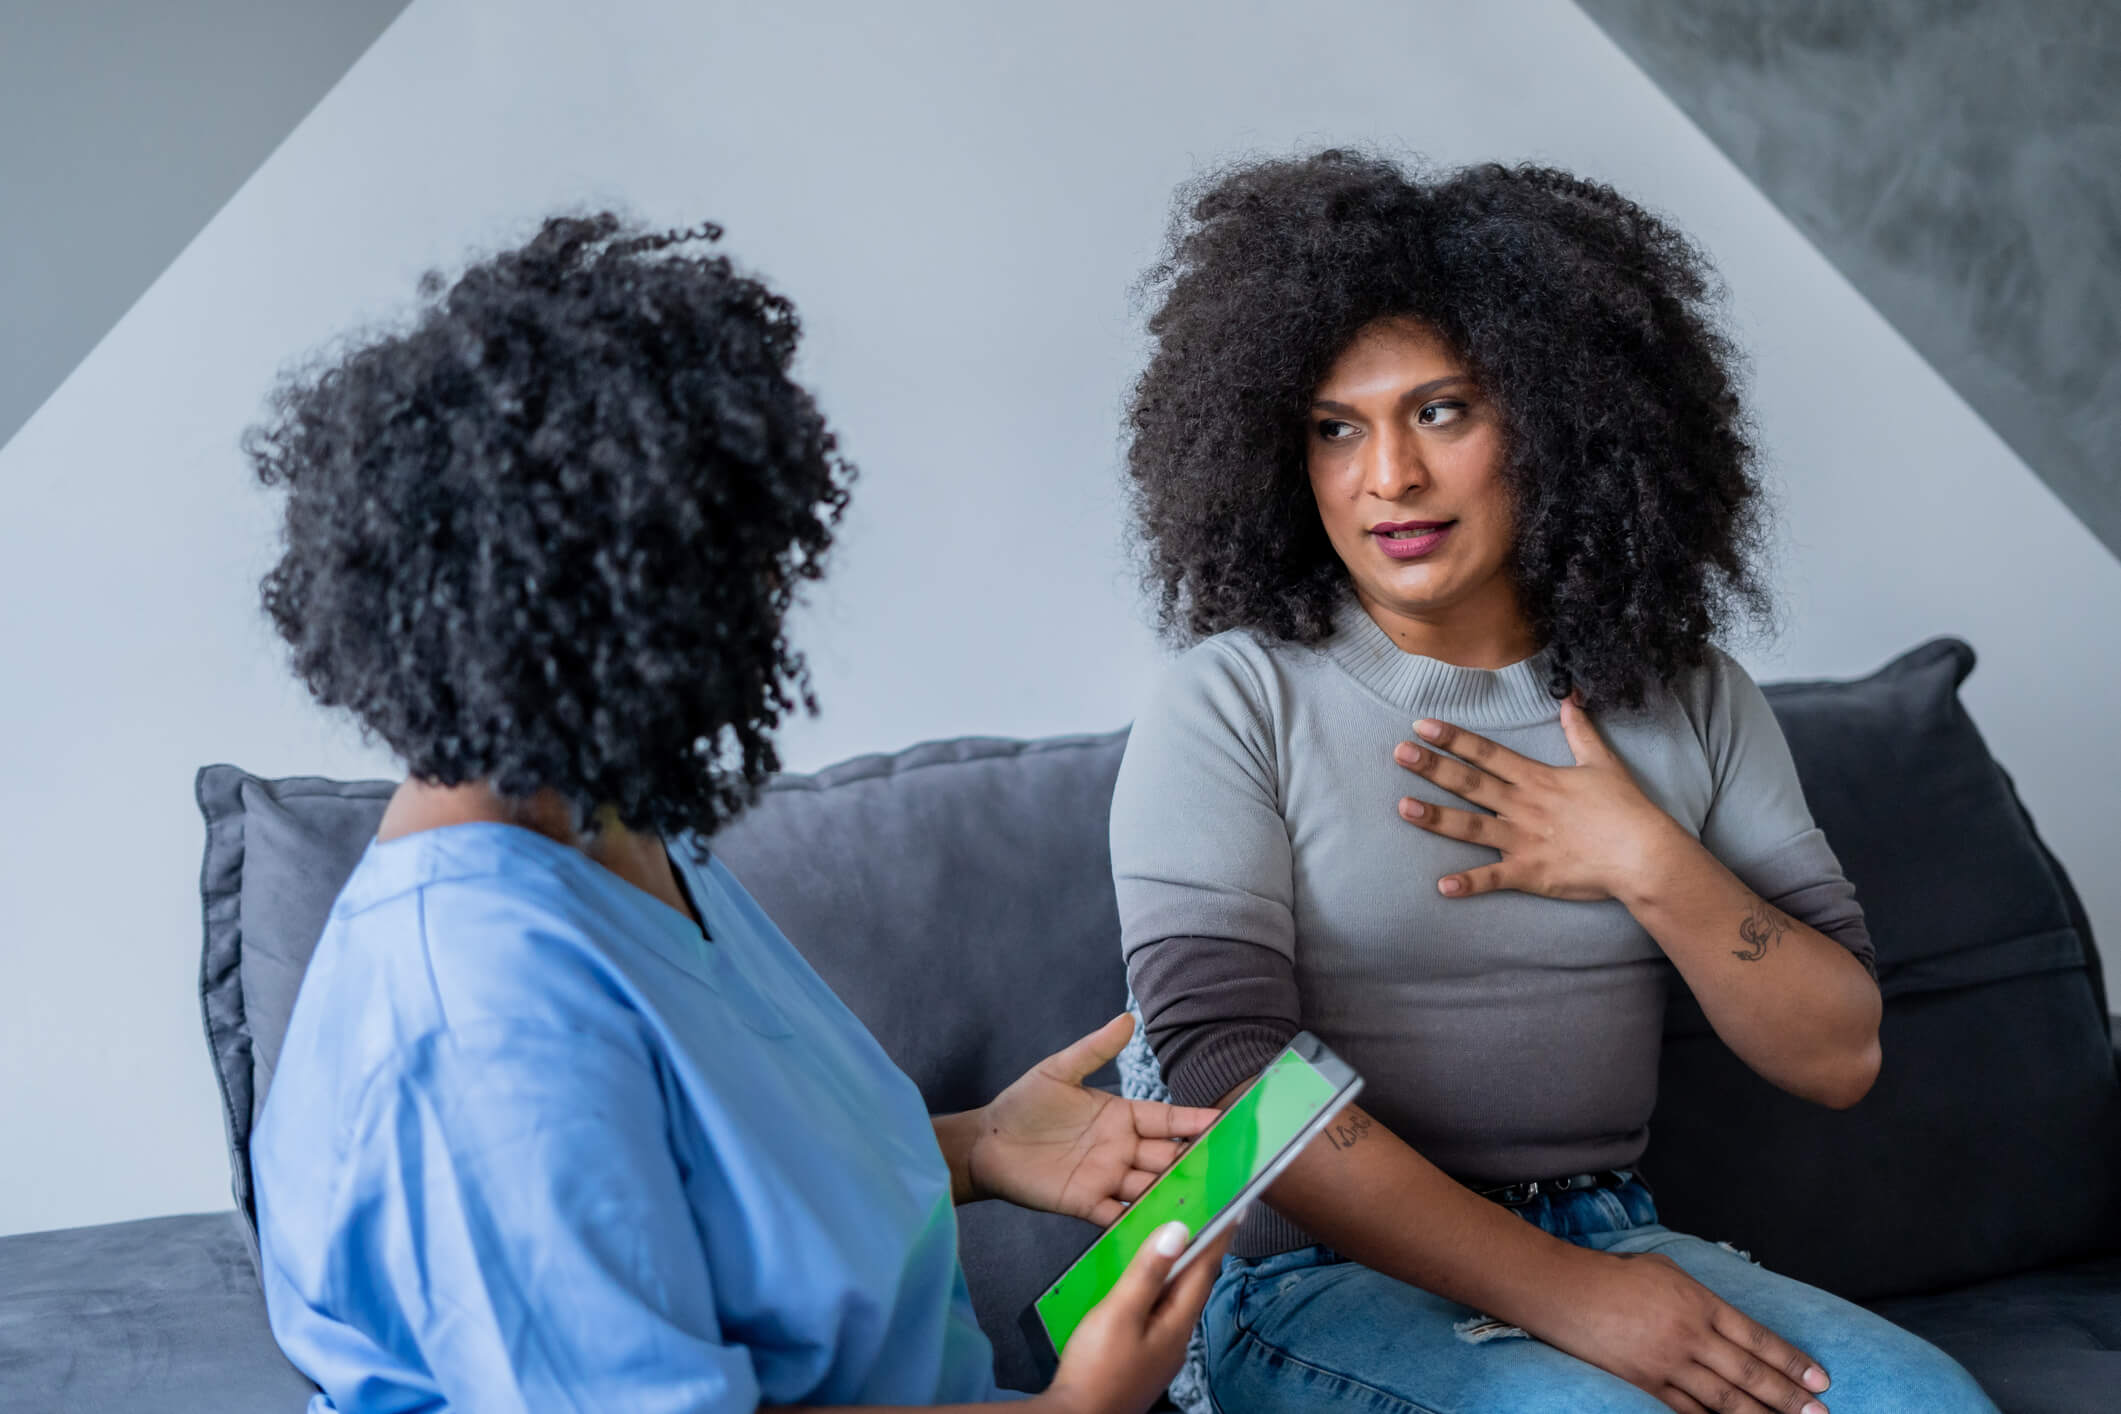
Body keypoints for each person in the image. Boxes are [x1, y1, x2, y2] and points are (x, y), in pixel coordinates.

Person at [245, 213, 1229, 1414]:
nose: (768, 605)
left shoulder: (610, 820)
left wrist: (974, 1144)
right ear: (584, 606)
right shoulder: (484, 1019)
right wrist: (1071, 1411)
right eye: (730, 573)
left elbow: (708, 1199)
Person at [1114, 151, 1997, 1414]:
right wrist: (1568, 1297)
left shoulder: (1687, 694)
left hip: (1616, 1229)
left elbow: (1838, 1050)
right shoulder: (1236, 699)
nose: (1388, 480)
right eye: (1334, 428)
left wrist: (1644, 857)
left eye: (1442, 411)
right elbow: (1223, 1069)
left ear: (1558, 411)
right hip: (1302, 1274)